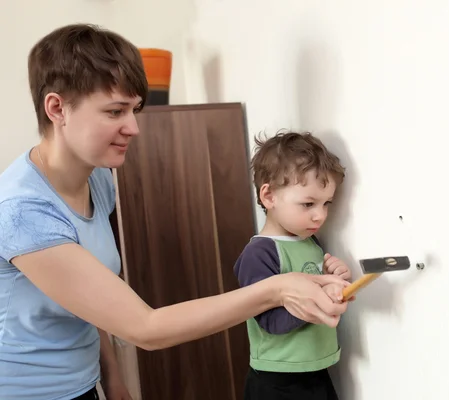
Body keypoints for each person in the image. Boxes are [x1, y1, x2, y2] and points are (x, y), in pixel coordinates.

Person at [0, 24, 349, 400]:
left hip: (83, 382)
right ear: (57, 108)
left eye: (134, 110)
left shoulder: (97, 181)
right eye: (115, 111)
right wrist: (277, 288)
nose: (133, 127)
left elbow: (89, 297)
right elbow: (145, 327)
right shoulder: (24, 212)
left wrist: (112, 377)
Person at [234, 131, 352, 400]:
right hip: (277, 381)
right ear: (269, 196)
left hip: (316, 370)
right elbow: (271, 322)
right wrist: (320, 299)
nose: (320, 214)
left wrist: (335, 279)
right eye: (309, 203)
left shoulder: (311, 242)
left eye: (326, 204)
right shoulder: (259, 253)